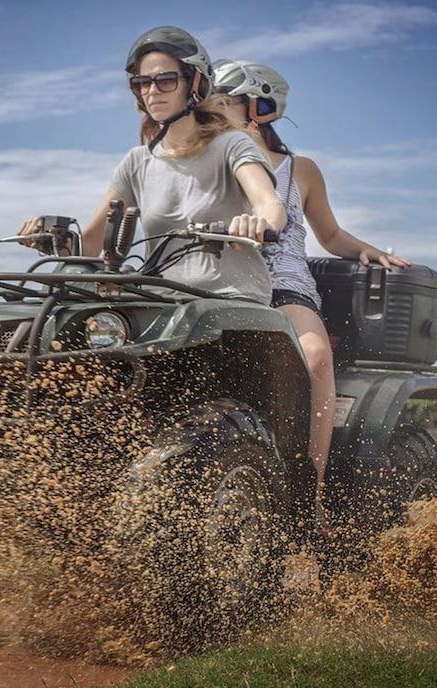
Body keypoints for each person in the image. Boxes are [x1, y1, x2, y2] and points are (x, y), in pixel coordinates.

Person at [212, 59, 412, 526]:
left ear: (259, 108)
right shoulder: (210, 164)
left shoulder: (300, 170)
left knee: (316, 356)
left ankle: (310, 498)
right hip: (220, 287)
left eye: (225, 103)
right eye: (211, 104)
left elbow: (330, 235)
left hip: (283, 286)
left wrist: (371, 252)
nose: (214, 113)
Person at [20, 26, 286, 305]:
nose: (152, 91)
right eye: (142, 83)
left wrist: (260, 223)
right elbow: (89, 245)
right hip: (160, 302)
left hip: (231, 299)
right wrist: (51, 239)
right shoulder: (137, 162)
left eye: (166, 80)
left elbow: (269, 203)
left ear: (195, 84)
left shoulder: (231, 144)